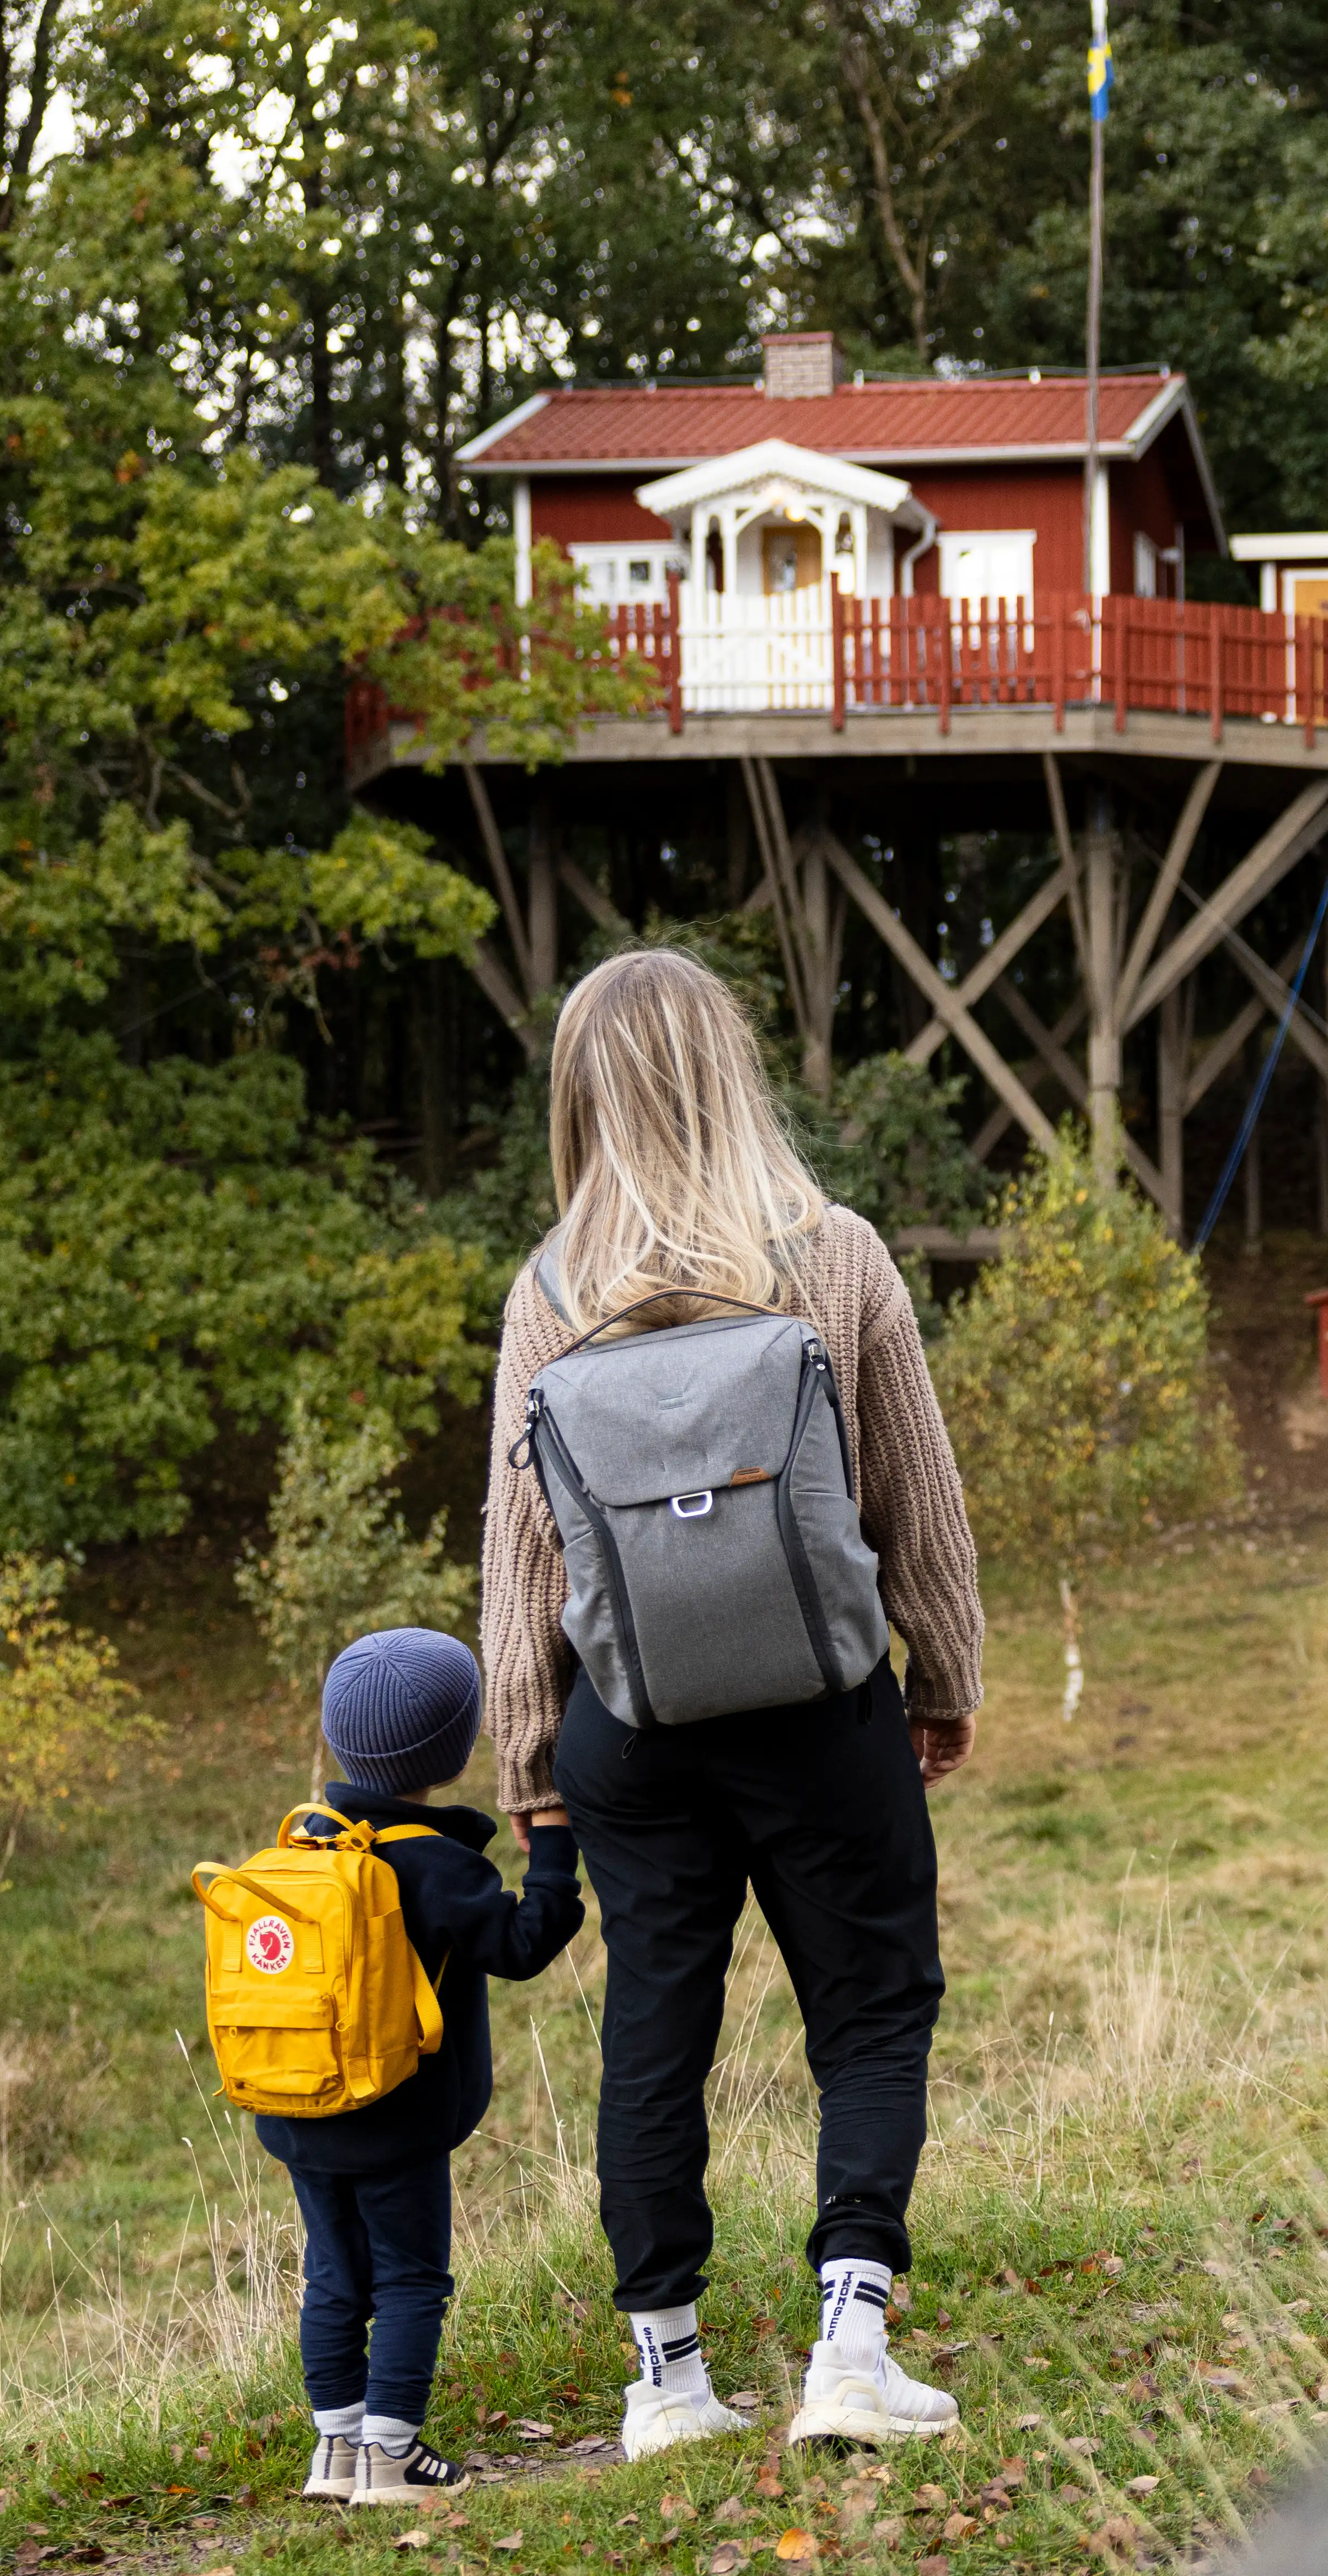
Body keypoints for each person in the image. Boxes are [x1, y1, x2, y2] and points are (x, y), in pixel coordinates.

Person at [477, 947, 986, 2462]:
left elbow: (520, 1551)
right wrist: (943, 1673)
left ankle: (669, 2384)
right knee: (873, 2007)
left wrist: (531, 1755)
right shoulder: (830, 1254)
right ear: (733, 1071)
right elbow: (919, 1499)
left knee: (656, 2029)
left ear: (583, 1096)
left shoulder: (552, 1292)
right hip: (819, 1705)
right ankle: (849, 2345)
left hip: (630, 1728)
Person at [266, 1625, 589, 2507]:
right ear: (451, 1751)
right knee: (412, 2277)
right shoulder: (433, 1862)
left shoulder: (302, 1849)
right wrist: (555, 1847)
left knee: (335, 2274)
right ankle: (392, 2457)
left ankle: (335, 2452)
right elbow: (524, 1945)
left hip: (303, 2110)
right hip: (397, 2118)